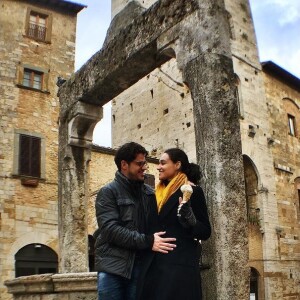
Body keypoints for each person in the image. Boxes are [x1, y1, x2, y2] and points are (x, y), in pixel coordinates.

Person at [94, 142, 176, 300]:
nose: (145, 167)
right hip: (112, 269)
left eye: (145, 163)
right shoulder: (108, 192)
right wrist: (147, 241)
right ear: (124, 164)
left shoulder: (150, 194)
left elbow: (161, 225)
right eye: (139, 163)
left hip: (141, 269)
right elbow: (111, 230)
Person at [139, 148, 211, 300]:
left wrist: (190, 221)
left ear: (177, 164)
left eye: (163, 163)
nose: (158, 167)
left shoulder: (192, 191)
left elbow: (205, 231)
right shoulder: (154, 194)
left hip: (179, 271)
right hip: (154, 268)